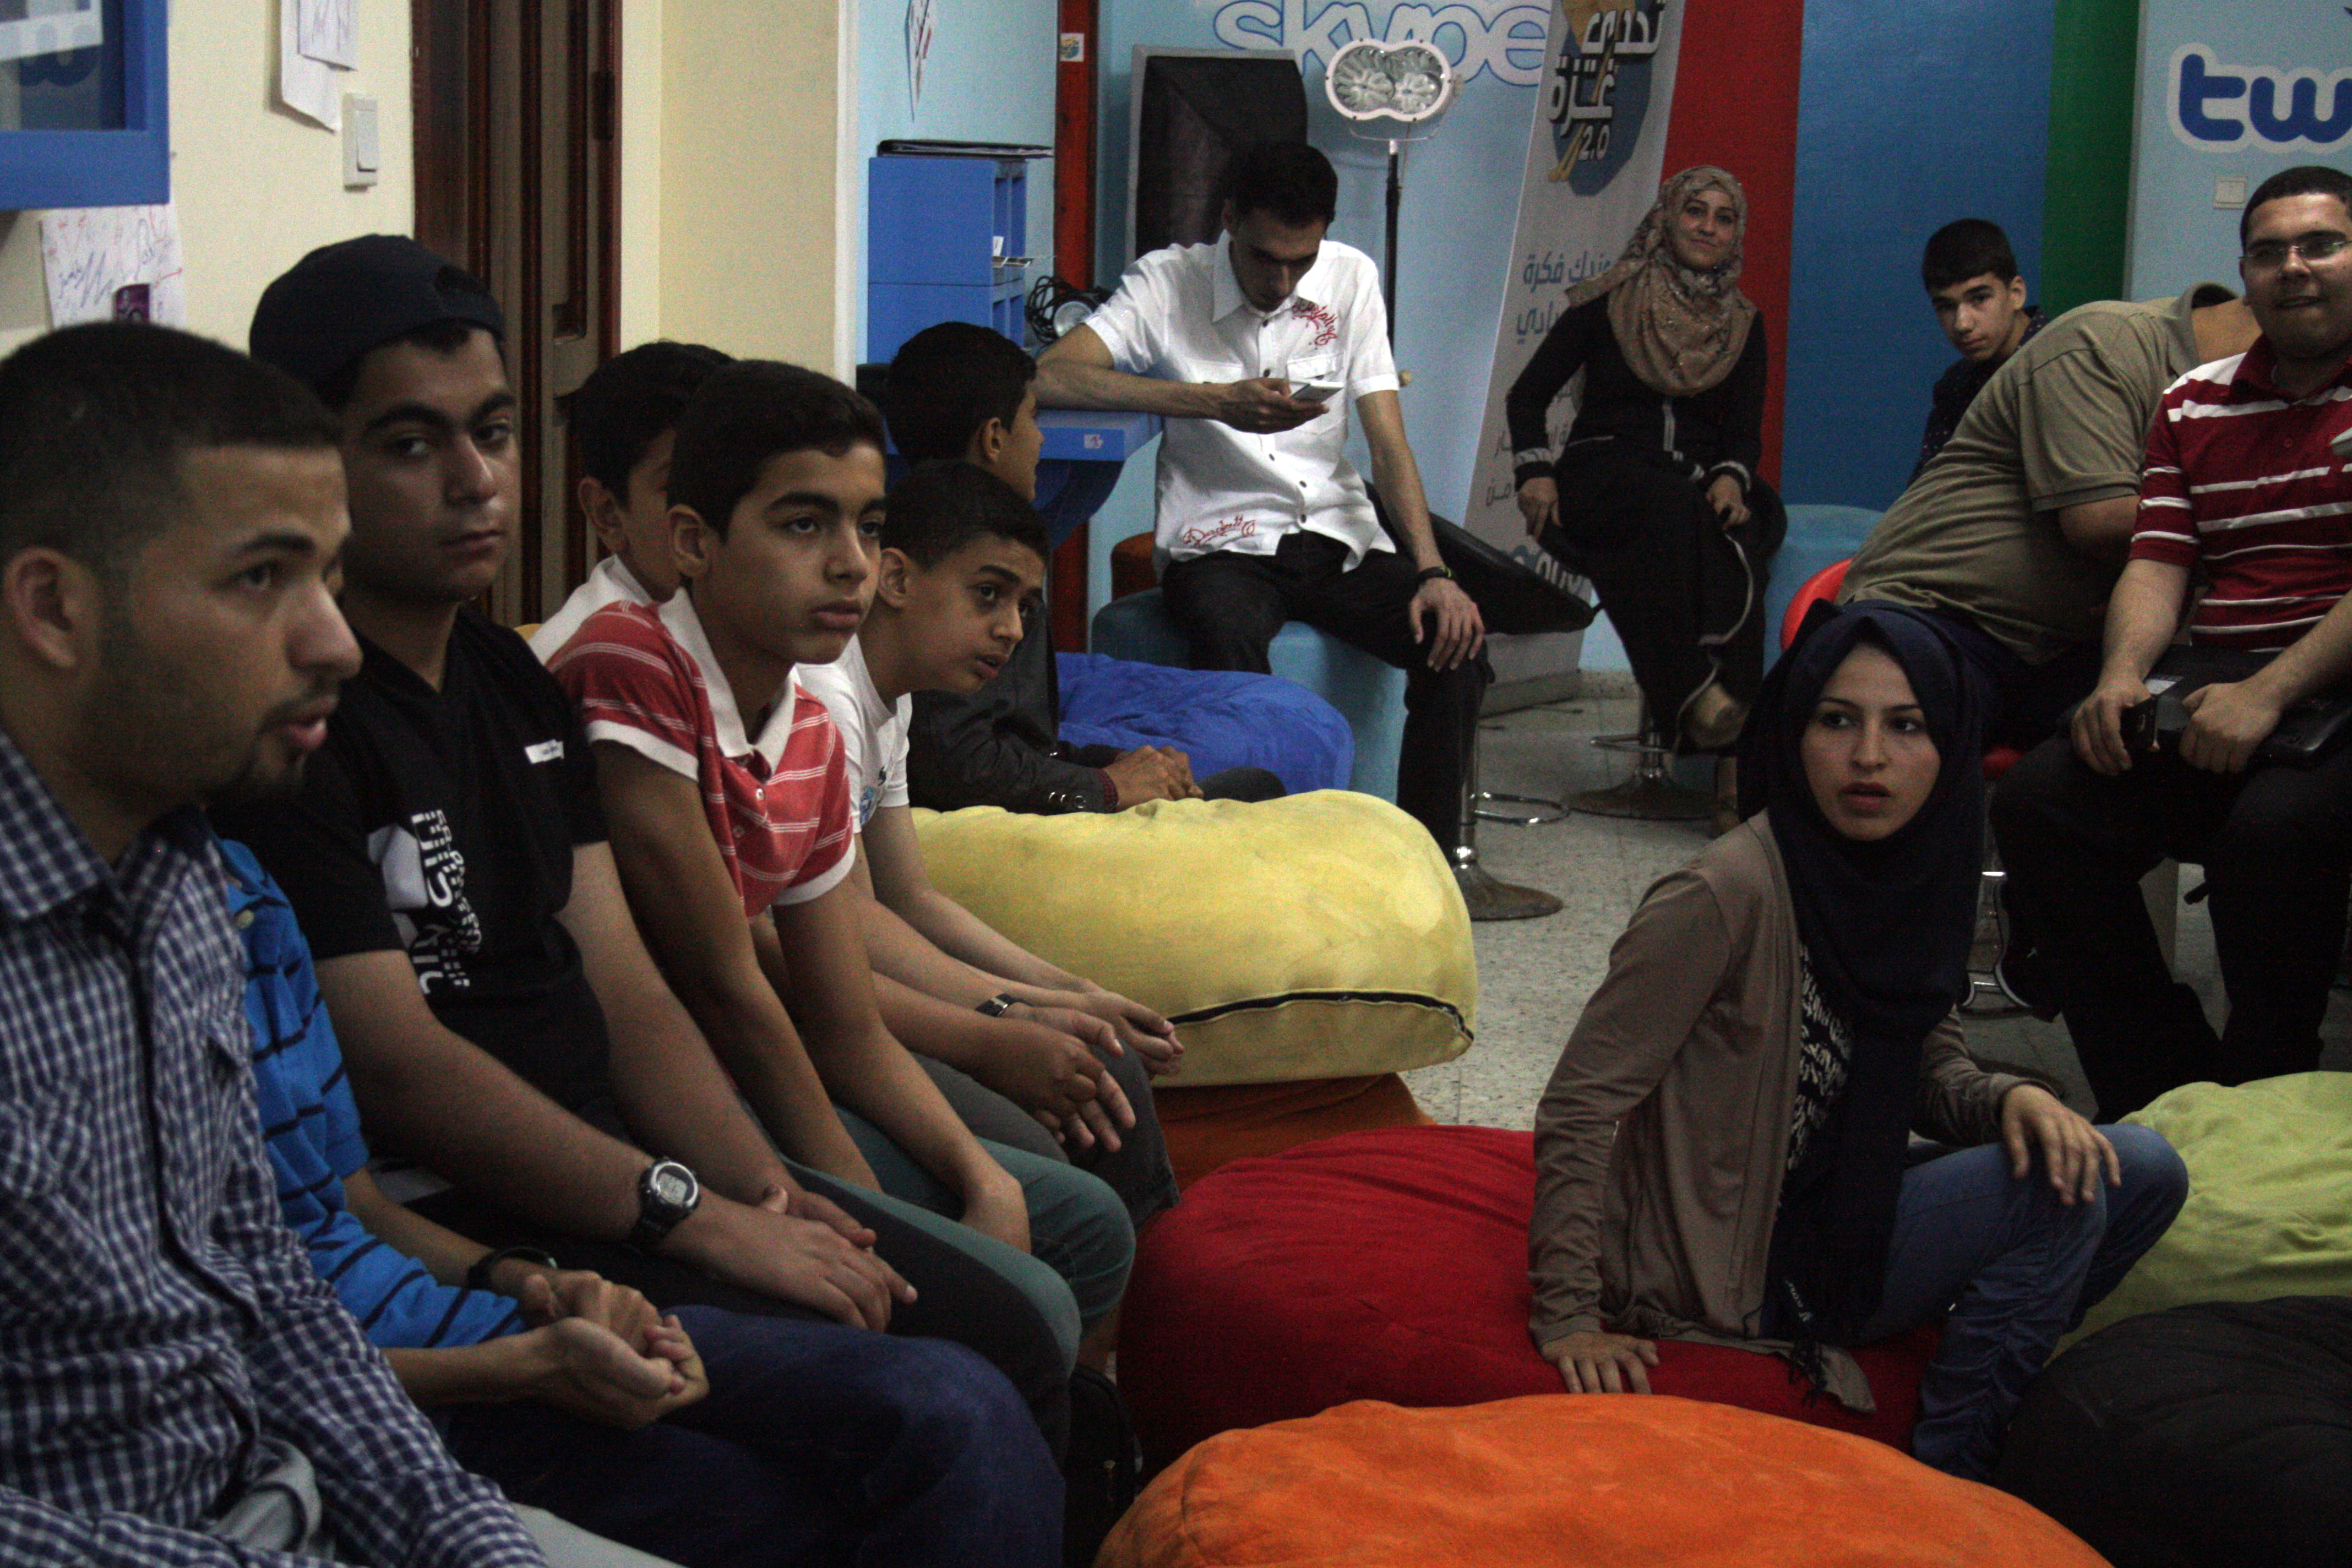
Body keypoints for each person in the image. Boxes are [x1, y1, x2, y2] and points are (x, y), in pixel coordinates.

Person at [215, 234, 1074, 1449]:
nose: (475, 480)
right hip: (477, 1221)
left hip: (628, 1177)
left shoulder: (509, 680)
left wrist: (772, 1196)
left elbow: (624, 985)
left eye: (495, 432)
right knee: (946, 1397)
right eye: (413, 444)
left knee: (993, 1320)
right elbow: (400, 1066)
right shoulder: (289, 723)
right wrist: (705, 1216)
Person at [0, 318, 558, 1564]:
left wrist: (464, 1537)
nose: (336, 642)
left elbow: (268, 1287)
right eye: (262, 578)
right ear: (53, 606)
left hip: (276, 1510)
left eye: (330, 573)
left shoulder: (187, 882)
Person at [227, 836, 1062, 1568]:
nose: (329, 649)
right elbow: (206, 1369)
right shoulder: (131, 989)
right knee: (803, 1499)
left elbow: (350, 1213)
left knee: (963, 1399)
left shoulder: (247, 896)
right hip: (403, 1391)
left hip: (479, 1310)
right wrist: (511, 1365)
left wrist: (530, 1287)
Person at [545, 360, 1134, 1349]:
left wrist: (976, 1178)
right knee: (1006, 1290)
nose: (853, 564)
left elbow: (842, 1018)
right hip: (645, 1098)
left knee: (1069, 1211)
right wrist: (884, 1234)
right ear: (693, 541)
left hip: (749, 1069)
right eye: (802, 524)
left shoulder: (811, 725)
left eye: (867, 525)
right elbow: (728, 983)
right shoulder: (629, 662)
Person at [1529, 602, 2188, 1483]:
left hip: (1839, 1198)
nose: (1869, 757)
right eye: (1837, 720)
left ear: (1948, 744)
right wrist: (1570, 1313)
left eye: (1906, 725)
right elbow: (1584, 1101)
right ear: (1796, 733)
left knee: (2142, 1167)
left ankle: (1991, 1338)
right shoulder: (1722, 894)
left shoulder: (1915, 874)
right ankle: (1957, 1471)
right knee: (2061, 1200)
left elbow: (1933, 1072)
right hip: (1734, 1256)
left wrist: (2010, 1097)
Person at [1990, 165, 2352, 1118]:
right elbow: (2157, 560)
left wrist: (2269, 692)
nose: (2293, 268)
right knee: (2039, 802)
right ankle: (2167, 1086)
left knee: (2272, 829)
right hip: (2218, 677)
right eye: (2267, 251)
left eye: (2320, 244)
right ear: (2243, 273)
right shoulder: (2190, 401)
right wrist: (2119, 677)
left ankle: (2269, 1082)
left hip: (2331, 688)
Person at [1034, 140, 1490, 867]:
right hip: (1220, 542)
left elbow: (1389, 443)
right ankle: (1257, 867)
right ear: (1229, 222)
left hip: (1335, 535)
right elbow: (1051, 378)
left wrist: (1434, 570)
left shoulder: (1351, 279)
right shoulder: (1167, 281)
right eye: (1263, 258)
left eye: (1299, 261)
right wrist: (1207, 401)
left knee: (1456, 643)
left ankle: (1431, 864)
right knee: (1230, 655)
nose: (1281, 280)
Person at [797, 462, 1183, 1248]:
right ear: (897, 579)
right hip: (818, 1015)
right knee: (1075, 1109)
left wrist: (1067, 991)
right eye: (989, 594)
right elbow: (851, 932)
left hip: (853, 993)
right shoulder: (825, 701)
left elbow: (908, 899)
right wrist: (1006, 1014)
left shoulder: (887, 701)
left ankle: (1140, 1318)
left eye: (1024, 606)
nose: (1012, 628)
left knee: (1100, 1051)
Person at [886, 322, 1283, 814]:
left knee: (1248, 787)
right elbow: (956, 765)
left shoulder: (938, 530)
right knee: (1254, 794)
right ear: (994, 438)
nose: (1040, 439)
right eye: (1034, 418)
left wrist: (1125, 765)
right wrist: (1108, 787)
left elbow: (1020, 748)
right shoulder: (967, 563)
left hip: (1024, 796)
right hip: (1000, 825)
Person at [1841, 282, 2258, 750]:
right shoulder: (2108, 340)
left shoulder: (2296, 395)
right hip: (1945, 611)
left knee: (2179, 748)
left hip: (2065, 646)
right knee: (1884, 744)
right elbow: (2101, 523)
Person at [1508, 165, 1787, 772]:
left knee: (1747, 530)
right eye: (1695, 211)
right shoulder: (1610, 298)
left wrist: (1733, 477)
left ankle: (1735, 769)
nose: (1707, 228)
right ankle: (1691, 694)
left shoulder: (1742, 323)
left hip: (1692, 479)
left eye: (1724, 217)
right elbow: (1526, 397)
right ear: (1667, 216)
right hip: (1603, 468)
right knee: (1668, 510)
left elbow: (1742, 429)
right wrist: (1535, 472)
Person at [529, 340, 732, 660]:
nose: (727, 508)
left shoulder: (766, 621)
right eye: (685, 481)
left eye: (742, 476)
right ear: (606, 513)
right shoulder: (591, 661)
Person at [1914, 219, 2045, 479]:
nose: (1962, 324)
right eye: (1946, 307)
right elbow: (1928, 489)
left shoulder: (2067, 363)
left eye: (1979, 299)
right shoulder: (1955, 386)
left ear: (2016, 293)